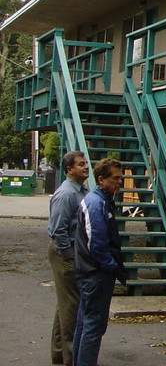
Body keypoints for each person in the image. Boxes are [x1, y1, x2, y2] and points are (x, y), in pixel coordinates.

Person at [72, 158, 127, 366]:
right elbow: (97, 244)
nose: (119, 182)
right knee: (93, 326)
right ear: (101, 180)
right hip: (95, 274)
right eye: (115, 178)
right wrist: (112, 267)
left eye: (121, 178)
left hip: (89, 271)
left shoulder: (99, 201)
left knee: (84, 324)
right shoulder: (96, 203)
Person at [47, 151, 89, 365]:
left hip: (73, 251)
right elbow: (58, 230)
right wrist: (70, 255)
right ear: (69, 169)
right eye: (80, 164)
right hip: (66, 253)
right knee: (72, 305)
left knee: (66, 302)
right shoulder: (66, 194)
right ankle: (71, 356)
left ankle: (57, 351)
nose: (86, 167)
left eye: (86, 163)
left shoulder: (81, 190)